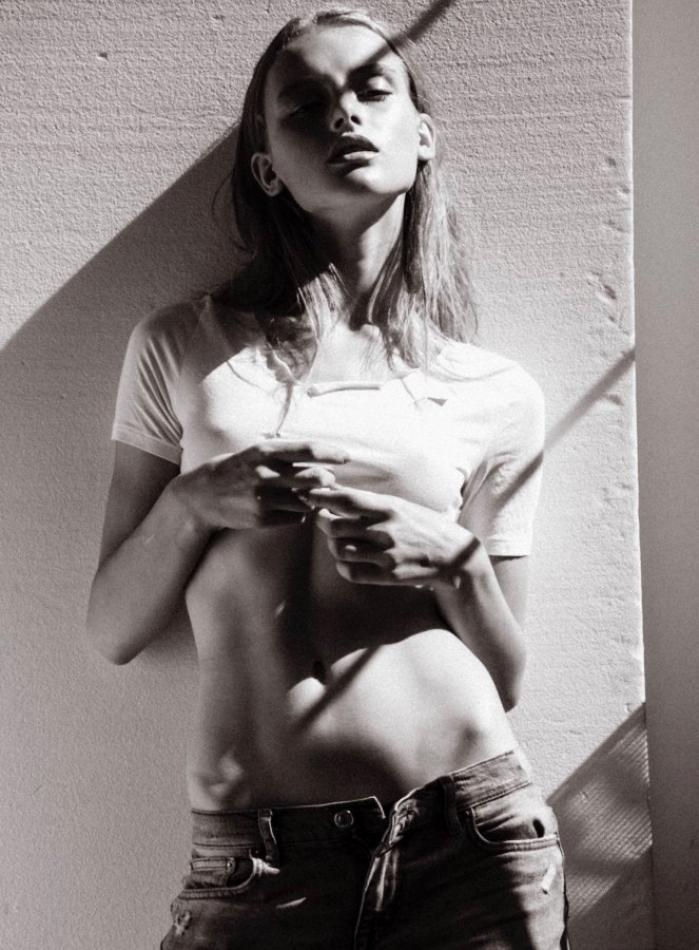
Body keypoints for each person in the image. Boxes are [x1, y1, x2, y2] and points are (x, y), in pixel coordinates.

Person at [87, 9, 569, 949]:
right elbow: (112, 631)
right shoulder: (184, 346)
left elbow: (506, 678)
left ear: (421, 138)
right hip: (261, 861)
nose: (344, 114)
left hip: (472, 833)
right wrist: (191, 504)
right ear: (267, 164)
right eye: (305, 104)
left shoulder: (494, 391)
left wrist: (458, 562)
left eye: (371, 90)